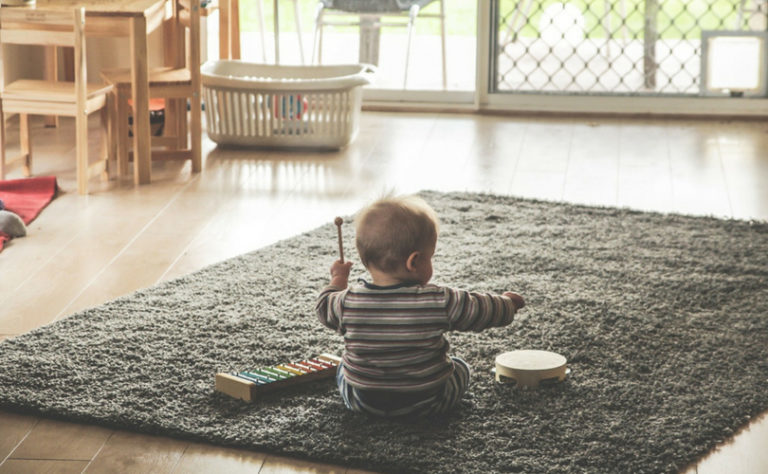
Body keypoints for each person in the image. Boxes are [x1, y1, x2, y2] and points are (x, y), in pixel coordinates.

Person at [316, 194, 525, 418]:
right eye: (430, 257)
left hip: (363, 401)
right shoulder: (439, 300)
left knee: (342, 368)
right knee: (460, 367)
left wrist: (338, 279)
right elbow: (480, 309)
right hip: (428, 401)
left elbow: (323, 306)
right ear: (413, 262)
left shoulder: (346, 302)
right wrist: (508, 304)